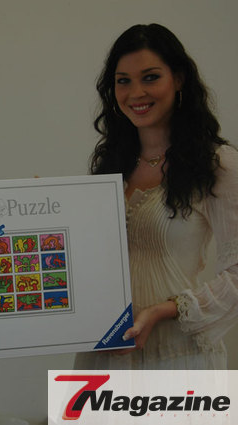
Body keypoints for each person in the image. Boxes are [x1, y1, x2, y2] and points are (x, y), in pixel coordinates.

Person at [74, 23, 238, 369]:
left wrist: (162, 311)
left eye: (150, 77)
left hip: (180, 356)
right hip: (104, 354)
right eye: (123, 81)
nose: (136, 93)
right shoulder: (110, 166)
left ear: (178, 79)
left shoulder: (218, 164)